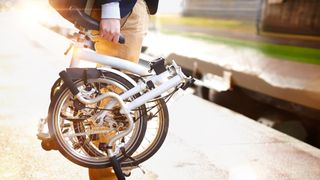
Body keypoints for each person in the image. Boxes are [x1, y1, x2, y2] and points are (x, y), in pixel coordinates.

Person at [88, 0, 159, 179]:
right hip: (124, 10)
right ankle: (106, 172)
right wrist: (111, 8)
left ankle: (107, 167)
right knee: (112, 100)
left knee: (112, 97)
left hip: (126, 10)